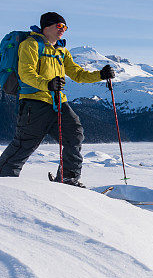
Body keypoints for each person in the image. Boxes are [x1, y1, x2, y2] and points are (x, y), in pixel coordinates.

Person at [0, 12, 115, 187]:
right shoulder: (30, 45)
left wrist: (100, 75)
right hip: (34, 103)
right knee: (24, 145)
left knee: (74, 135)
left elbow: (77, 74)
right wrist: (47, 84)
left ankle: (68, 179)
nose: (63, 30)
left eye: (65, 27)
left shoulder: (61, 50)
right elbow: (26, 74)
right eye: (59, 26)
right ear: (46, 26)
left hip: (58, 103)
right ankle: (4, 181)